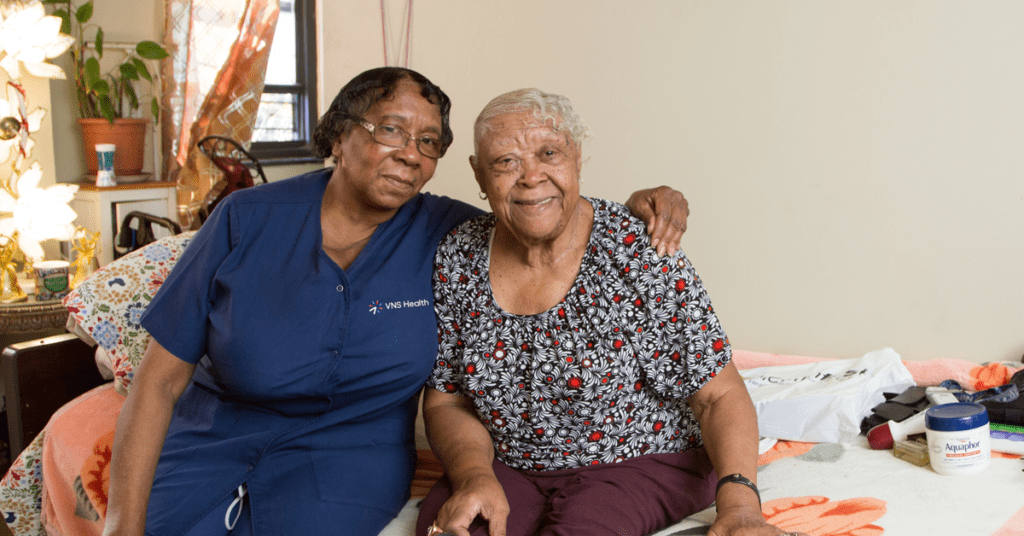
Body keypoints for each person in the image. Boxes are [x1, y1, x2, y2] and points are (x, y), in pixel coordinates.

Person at [101, 68, 690, 536]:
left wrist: (637, 206)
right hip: (213, 443)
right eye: (391, 129)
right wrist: (121, 526)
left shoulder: (448, 233)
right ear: (339, 134)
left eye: (428, 141)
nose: (411, 152)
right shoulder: (245, 220)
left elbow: (539, 211)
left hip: (345, 461)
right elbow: (156, 383)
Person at [417, 89, 808, 536]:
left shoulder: (638, 250)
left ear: (577, 158)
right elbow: (448, 399)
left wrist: (739, 504)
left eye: (549, 153)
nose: (530, 176)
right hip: (509, 465)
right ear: (479, 175)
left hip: (639, 461)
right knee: (452, 529)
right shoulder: (459, 256)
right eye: (506, 162)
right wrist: (474, 475)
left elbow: (719, 395)